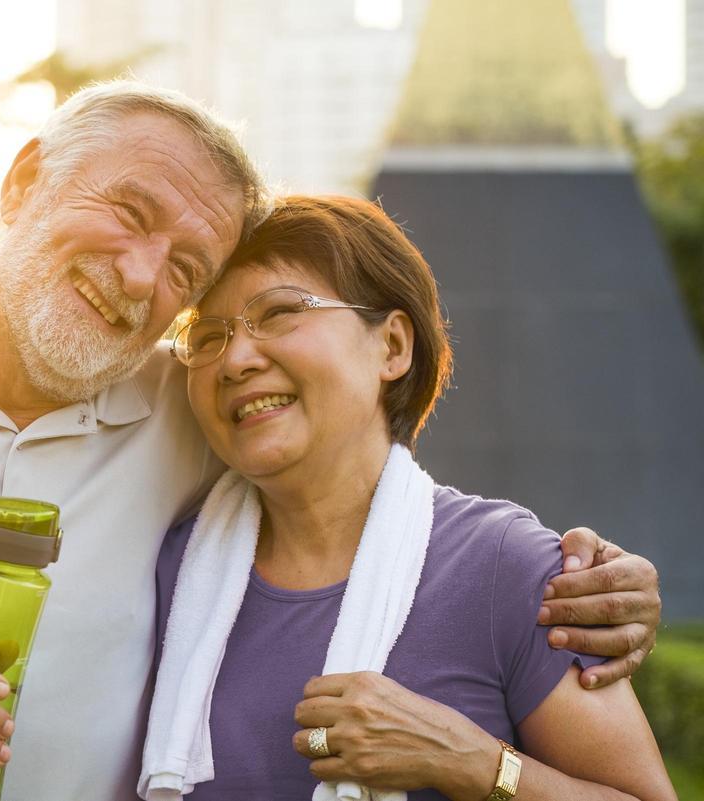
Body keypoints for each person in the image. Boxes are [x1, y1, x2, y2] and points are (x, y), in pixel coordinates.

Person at [0, 83, 661, 801]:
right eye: (127, 210)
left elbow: (369, 490)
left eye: (187, 271)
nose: (138, 276)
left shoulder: (189, 406)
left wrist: (596, 578)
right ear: (24, 182)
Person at [142, 195, 674, 800]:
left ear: (392, 347)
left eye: (282, 311)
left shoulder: (505, 565)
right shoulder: (166, 575)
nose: (235, 358)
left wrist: (474, 763)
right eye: (209, 336)